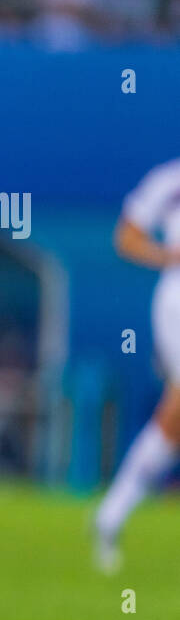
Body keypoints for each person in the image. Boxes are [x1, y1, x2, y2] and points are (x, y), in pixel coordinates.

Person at [93, 157, 180, 573]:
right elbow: (126, 238)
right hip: (177, 304)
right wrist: (168, 255)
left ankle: (111, 514)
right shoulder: (170, 180)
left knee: (174, 418)